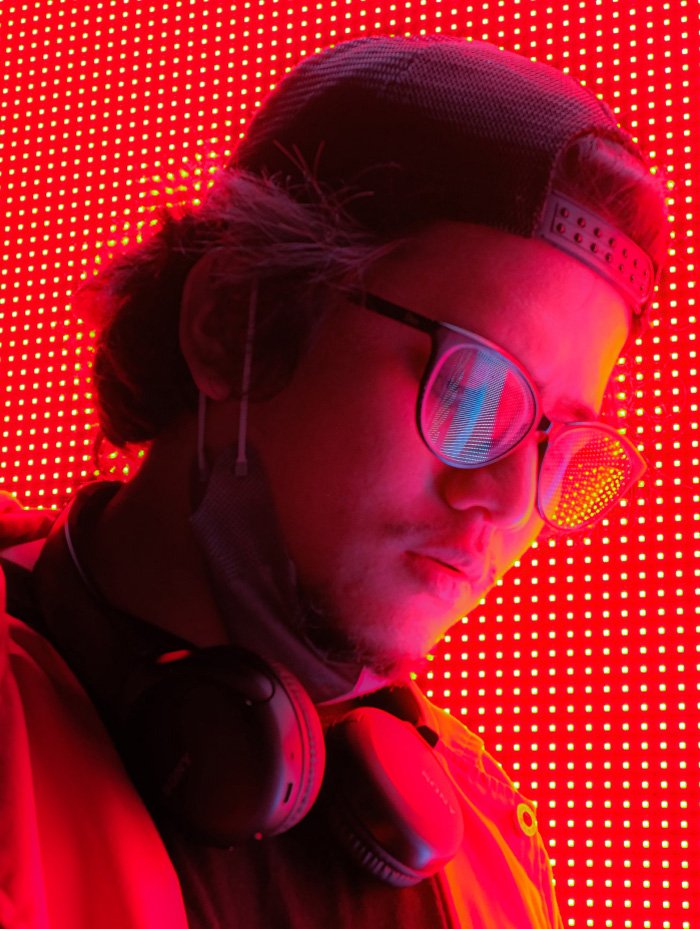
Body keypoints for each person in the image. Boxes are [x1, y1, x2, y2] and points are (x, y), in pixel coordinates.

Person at [0, 34, 667, 929]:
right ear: (235, 322)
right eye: (471, 389)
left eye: (560, 445)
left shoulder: (489, 843)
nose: (513, 500)